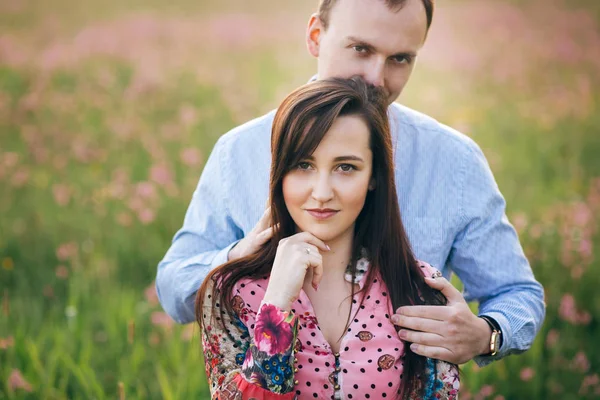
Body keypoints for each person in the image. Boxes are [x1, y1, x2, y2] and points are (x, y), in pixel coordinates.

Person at [157, 0, 545, 367]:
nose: (376, 78)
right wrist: (241, 257)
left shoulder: (454, 161)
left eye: (400, 59)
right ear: (315, 36)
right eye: (360, 49)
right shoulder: (239, 152)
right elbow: (173, 290)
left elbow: (517, 293)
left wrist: (488, 334)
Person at [197, 77, 459, 399]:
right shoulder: (230, 291)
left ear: (374, 177)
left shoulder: (419, 288)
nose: (321, 193)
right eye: (303, 165)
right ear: (279, 173)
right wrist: (275, 306)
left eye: (346, 167)